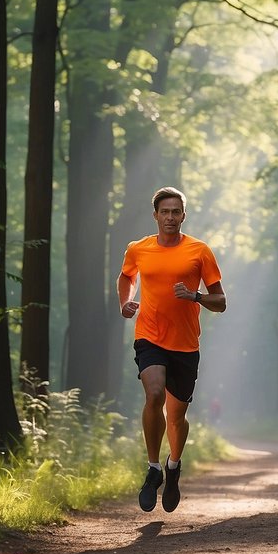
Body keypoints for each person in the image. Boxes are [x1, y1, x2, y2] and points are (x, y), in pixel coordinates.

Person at [117, 186, 226, 513]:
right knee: (154, 395)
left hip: (185, 344)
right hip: (149, 335)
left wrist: (194, 297)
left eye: (175, 212)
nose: (169, 217)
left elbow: (221, 302)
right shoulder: (138, 249)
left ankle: (173, 466)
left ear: (183, 215)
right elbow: (126, 278)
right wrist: (125, 302)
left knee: (177, 417)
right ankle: (153, 469)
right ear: (155, 216)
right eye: (164, 211)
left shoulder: (200, 251)